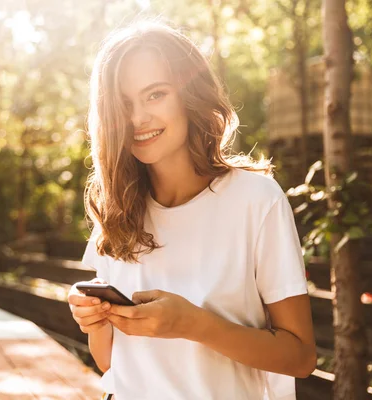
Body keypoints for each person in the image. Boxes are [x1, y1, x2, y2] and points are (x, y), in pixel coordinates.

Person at [68, 20, 316, 400]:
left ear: (189, 94)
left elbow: (300, 357)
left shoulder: (255, 200)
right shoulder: (116, 211)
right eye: (123, 104)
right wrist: (96, 323)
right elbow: (113, 365)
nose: (137, 119)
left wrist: (195, 325)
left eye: (155, 95)